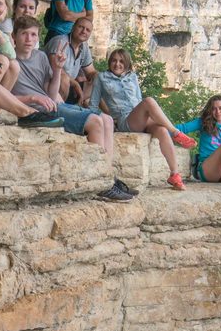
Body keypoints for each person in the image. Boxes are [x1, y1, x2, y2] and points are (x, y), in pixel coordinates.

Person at [11, 20, 133, 202]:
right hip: (36, 110)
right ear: (14, 37)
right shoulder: (9, 60)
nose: (29, 39)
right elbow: (1, 95)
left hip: (52, 105)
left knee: (106, 119)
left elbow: (52, 93)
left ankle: (107, 177)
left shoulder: (40, 57)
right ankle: (99, 181)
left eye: (34, 34)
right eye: (24, 34)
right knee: (95, 121)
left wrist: (58, 70)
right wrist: (32, 99)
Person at [87, 47, 196, 191]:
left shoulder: (132, 76)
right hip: (125, 120)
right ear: (109, 62)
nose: (117, 64)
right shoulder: (101, 77)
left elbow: (137, 99)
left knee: (162, 131)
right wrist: (105, 121)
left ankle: (174, 175)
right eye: (114, 61)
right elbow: (93, 104)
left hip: (139, 116)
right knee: (149, 101)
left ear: (126, 63)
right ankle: (176, 133)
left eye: (121, 61)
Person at [45, 14, 96, 105]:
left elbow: (90, 72)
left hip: (70, 88)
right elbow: (57, 70)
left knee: (99, 81)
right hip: (49, 86)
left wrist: (102, 78)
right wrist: (76, 84)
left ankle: (111, 114)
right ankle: (58, 110)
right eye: (81, 27)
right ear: (73, 28)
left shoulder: (84, 47)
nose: (84, 31)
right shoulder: (60, 42)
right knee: (64, 79)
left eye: (88, 30)